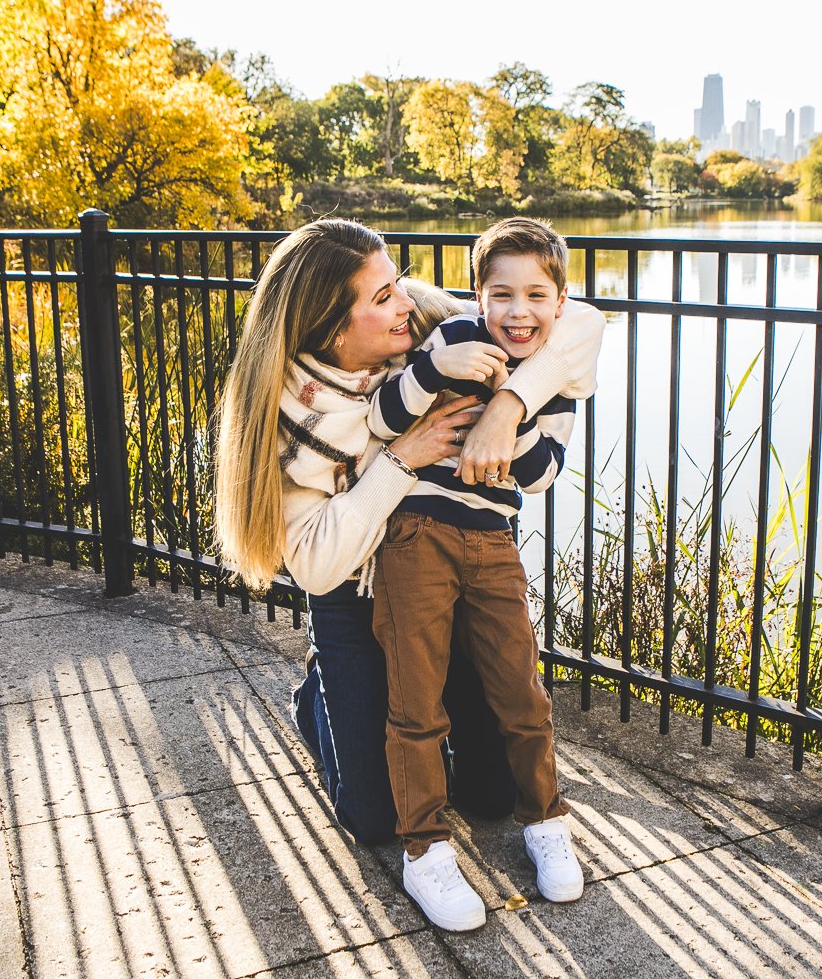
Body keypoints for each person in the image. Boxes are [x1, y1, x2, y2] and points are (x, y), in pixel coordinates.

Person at [212, 216, 603, 886]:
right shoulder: (289, 411)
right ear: (335, 328)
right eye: (384, 297)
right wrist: (399, 459)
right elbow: (315, 564)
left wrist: (510, 404)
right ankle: (324, 695)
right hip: (352, 592)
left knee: (489, 795)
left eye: (397, 286)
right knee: (375, 819)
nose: (407, 303)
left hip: (441, 574)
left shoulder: (420, 323)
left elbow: (583, 322)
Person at [367, 218, 585, 931]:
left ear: (560, 301)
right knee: (416, 700)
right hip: (417, 532)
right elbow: (382, 414)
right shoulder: (455, 338)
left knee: (521, 689)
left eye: (535, 295)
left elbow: (540, 472)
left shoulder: (556, 377)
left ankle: (546, 821)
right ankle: (424, 848)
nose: (518, 312)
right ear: (479, 296)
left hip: (493, 540)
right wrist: (436, 372)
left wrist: (509, 405)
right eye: (501, 294)